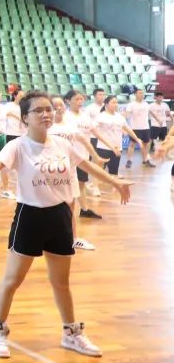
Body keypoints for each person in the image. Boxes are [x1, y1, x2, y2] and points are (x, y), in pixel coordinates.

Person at [0, 90, 131, 360]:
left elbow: (87, 165)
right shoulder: (18, 146)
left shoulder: (61, 144)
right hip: (30, 217)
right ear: (25, 118)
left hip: (60, 218)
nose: (45, 114)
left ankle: (70, 333)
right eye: (38, 110)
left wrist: (115, 181)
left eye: (48, 109)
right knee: (12, 280)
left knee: (61, 282)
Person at [48, 95, 109, 251]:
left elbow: (84, 140)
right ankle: (46, 238)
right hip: (50, 172)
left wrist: (96, 156)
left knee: (71, 204)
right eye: (55, 106)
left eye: (60, 105)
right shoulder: (46, 127)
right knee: (49, 205)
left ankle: (73, 238)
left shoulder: (70, 126)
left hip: (70, 171)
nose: (58, 108)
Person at [94, 95, 144, 179]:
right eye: (113, 102)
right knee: (100, 171)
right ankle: (96, 185)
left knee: (114, 172)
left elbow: (128, 129)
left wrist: (137, 139)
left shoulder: (119, 117)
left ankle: (114, 185)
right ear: (106, 104)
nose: (116, 104)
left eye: (116, 102)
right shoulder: (101, 116)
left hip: (117, 148)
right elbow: (93, 129)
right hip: (104, 148)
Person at [122, 88, 153, 168]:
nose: (141, 94)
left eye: (142, 93)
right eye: (139, 93)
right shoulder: (131, 105)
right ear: (135, 94)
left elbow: (149, 114)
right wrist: (124, 125)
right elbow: (127, 115)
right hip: (135, 128)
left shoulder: (146, 104)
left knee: (145, 144)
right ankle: (129, 161)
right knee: (132, 144)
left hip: (145, 127)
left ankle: (145, 160)